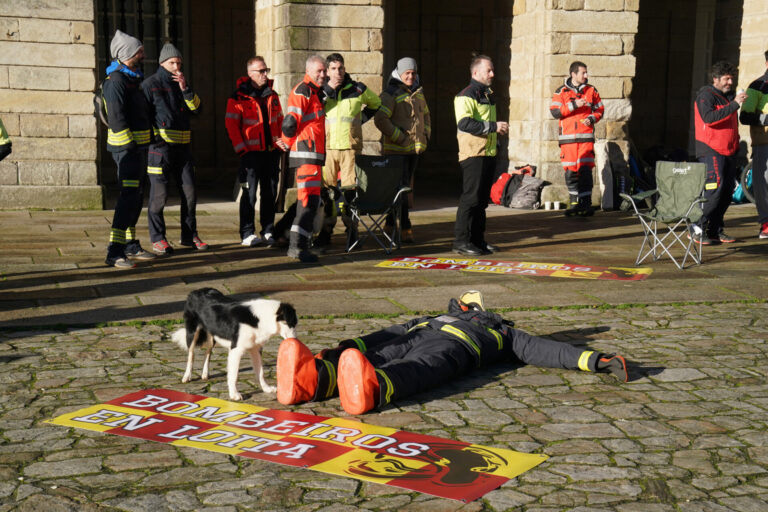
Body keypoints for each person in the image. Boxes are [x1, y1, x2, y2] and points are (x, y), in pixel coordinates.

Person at [276, 290, 629, 415]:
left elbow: (542, 349)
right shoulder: (435, 315)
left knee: (420, 368)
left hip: (454, 348)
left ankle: (372, 389)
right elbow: (393, 331)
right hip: (422, 333)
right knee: (382, 352)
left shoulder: (504, 332)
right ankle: (311, 379)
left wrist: (594, 360)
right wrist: (352, 345)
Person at [142, 42, 207, 256]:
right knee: (159, 196)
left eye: (179, 62)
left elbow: (197, 109)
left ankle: (189, 236)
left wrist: (186, 89)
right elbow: (142, 117)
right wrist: (155, 139)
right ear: (162, 63)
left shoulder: (182, 84)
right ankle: (158, 239)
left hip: (183, 150)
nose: (177, 67)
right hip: (159, 151)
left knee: (189, 193)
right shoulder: (150, 85)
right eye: (172, 63)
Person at [315, 53, 381, 248]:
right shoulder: (321, 92)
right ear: (327, 71)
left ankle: (352, 232)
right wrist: (326, 91)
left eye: (341, 68)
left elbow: (376, 103)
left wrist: (359, 121)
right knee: (327, 193)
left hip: (350, 148)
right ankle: (326, 233)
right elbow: (312, 109)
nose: (338, 72)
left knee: (350, 194)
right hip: (328, 149)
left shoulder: (357, 88)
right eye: (334, 69)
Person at [102, 30, 156, 269]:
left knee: (135, 199)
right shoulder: (116, 81)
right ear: (126, 54)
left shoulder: (132, 79)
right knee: (127, 198)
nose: (143, 54)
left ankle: (130, 245)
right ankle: (114, 251)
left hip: (138, 149)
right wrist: (131, 146)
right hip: (127, 150)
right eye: (139, 51)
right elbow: (116, 118)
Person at [225, 56, 288, 248]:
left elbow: (280, 120)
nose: (265, 74)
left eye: (266, 70)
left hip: (270, 153)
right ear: (250, 74)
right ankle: (247, 233)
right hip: (249, 154)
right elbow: (231, 125)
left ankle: (268, 230)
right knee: (249, 194)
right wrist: (241, 149)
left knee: (269, 194)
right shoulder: (238, 97)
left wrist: (281, 140)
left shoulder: (272, 95)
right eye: (261, 71)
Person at [452, 55, 509, 256]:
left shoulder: (487, 94)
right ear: (475, 72)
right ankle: (461, 241)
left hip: (488, 152)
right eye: (489, 70)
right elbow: (464, 123)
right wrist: (494, 127)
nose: (492, 74)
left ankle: (478, 240)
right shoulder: (466, 95)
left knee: (482, 200)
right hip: (473, 153)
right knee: (471, 198)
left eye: (492, 70)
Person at [374, 57, 431, 243]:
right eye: (407, 73)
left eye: (413, 73)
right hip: (396, 151)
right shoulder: (390, 93)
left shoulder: (418, 92)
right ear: (400, 73)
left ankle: (390, 225)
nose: (411, 77)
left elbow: (426, 116)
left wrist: (426, 135)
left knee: (403, 189)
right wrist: (400, 137)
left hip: (413, 151)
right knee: (402, 190)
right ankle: (405, 227)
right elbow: (381, 119)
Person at [692, 61, 748, 245]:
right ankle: (697, 229)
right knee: (713, 190)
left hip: (728, 152)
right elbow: (708, 118)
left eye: (732, 79)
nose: (730, 82)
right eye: (726, 79)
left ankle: (715, 230)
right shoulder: (706, 95)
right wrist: (734, 105)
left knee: (726, 193)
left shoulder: (726, 98)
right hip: (711, 151)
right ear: (715, 79)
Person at [281, 55, 328, 263]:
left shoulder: (314, 93)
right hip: (306, 156)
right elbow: (290, 122)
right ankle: (297, 247)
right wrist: (286, 141)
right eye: (319, 71)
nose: (323, 74)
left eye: (324, 71)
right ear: (308, 71)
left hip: (312, 157)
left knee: (310, 203)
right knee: (308, 202)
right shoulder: (303, 91)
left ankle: (300, 245)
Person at [549, 61, 604, 216]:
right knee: (571, 172)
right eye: (583, 73)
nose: (586, 76)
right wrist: (574, 105)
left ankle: (586, 204)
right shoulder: (561, 92)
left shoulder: (591, 90)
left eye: (586, 73)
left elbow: (600, 109)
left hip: (586, 139)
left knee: (586, 171)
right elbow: (555, 112)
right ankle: (574, 203)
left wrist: (592, 118)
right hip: (568, 141)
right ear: (573, 74)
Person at [739, 50, 768, 240]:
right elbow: (744, 116)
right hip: (764, 143)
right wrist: (766, 118)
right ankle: (766, 224)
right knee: (764, 185)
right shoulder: (757, 85)